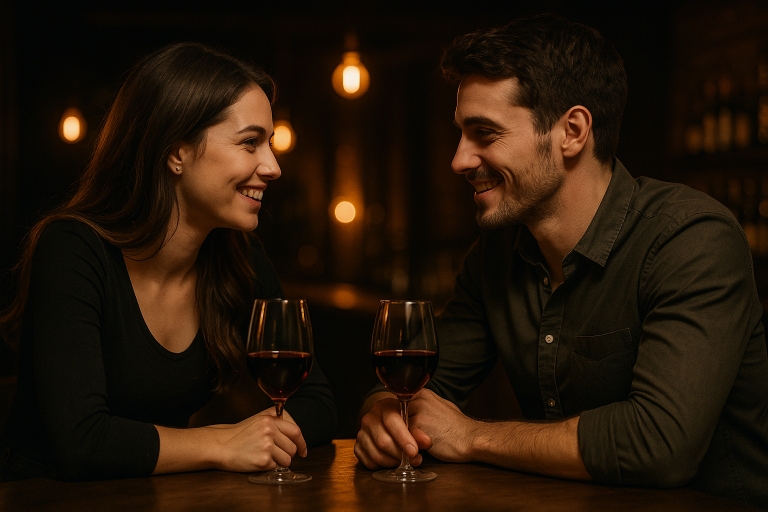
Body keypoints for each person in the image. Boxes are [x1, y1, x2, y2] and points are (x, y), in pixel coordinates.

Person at [354, 14, 768, 509]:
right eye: (462, 134)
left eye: (484, 133)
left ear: (571, 131)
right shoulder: (495, 256)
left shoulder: (690, 239)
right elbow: (423, 390)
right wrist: (383, 413)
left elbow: (659, 446)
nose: (459, 160)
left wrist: (469, 436)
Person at [0, 42, 337, 481]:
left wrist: (253, 441)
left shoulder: (238, 256)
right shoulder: (72, 249)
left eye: (269, 143)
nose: (272, 166)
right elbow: (81, 440)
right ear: (176, 152)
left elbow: (319, 405)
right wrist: (223, 443)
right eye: (250, 142)